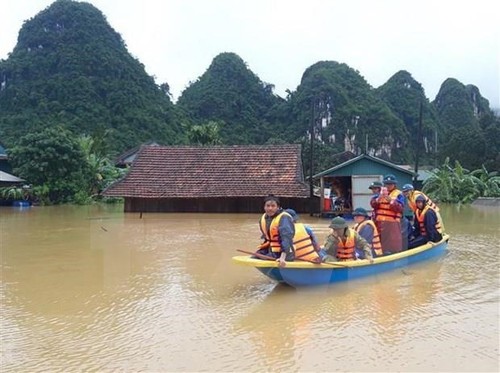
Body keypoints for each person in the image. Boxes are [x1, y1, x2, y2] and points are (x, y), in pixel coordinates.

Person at [370, 174, 405, 254]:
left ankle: (392, 257)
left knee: (393, 245)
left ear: (394, 184)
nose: (388, 186)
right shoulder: (380, 193)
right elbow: (372, 204)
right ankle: (378, 255)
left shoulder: (399, 194)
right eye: (386, 184)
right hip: (378, 223)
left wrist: (391, 202)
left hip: (392, 223)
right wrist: (378, 199)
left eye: (390, 184)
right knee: (378, 242)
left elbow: (401, 209)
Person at [257, 195, 295, 267]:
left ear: (278, 207)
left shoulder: (284, 218)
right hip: (271, 250)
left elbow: (286, 238)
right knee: (255, 256)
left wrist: (282, 258)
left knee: (262, 257)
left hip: (284, 253)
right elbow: (267, 238)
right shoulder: (264, 218)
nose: (270, 208)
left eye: (273, 206)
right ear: (264, 207)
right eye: (267, 206)